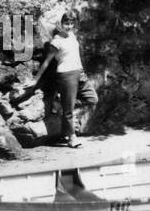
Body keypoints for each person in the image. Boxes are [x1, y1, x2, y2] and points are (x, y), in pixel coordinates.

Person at [28, 13, 98, 148]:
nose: (69, 26)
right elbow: (47, 62)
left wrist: (81, 70)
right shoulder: (56, 42)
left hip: (80, 73)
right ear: (60, 24)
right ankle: (72, 138)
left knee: (92, 99)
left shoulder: (72, 36)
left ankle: (60, 103)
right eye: (66, 23)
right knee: (69, 111)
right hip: (66, 75)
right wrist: (35, 79)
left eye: (72, 23)